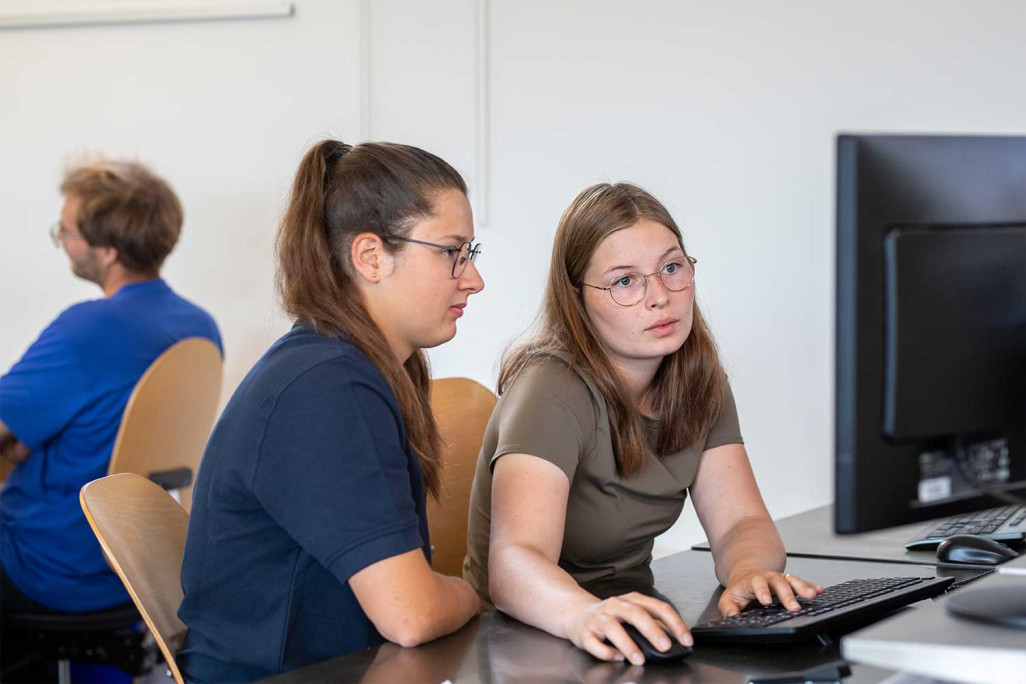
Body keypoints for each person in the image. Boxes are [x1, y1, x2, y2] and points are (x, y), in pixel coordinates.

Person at [463, 182, 822, 666]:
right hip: (526, 640)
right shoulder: (550, 389)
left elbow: (741, 521)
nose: (660, 297)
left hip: (633, 629)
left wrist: (749, 573)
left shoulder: (695, 377)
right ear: (577, 299)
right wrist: (586, 614)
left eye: (671, 268)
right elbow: (513, 565)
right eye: (625, 281)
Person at [177, 140, 485, 682]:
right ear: (370, 256)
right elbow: (411, 614)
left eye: (471, 254)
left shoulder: (346, 365)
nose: (473, 278)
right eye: (450, 252)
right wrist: (474, 593)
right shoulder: (326, 387)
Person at [0, 160, 222, 624]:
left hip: (53, 566)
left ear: (108, 251)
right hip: (142, 566)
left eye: (66, 232)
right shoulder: (199, 327)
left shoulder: (88, 328)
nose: (62, 241)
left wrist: (23, 444)